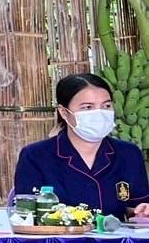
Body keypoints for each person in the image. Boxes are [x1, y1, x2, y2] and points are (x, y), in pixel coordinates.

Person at [13, 72, 149, 219]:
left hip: (117, 241)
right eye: (87, 107)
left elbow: (136, 206)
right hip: (61, 242)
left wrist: (141, 211)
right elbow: (25, 216)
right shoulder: (35, 156)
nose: (99, 113)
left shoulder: (129, 154)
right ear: (64, 113)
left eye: (106, 105)